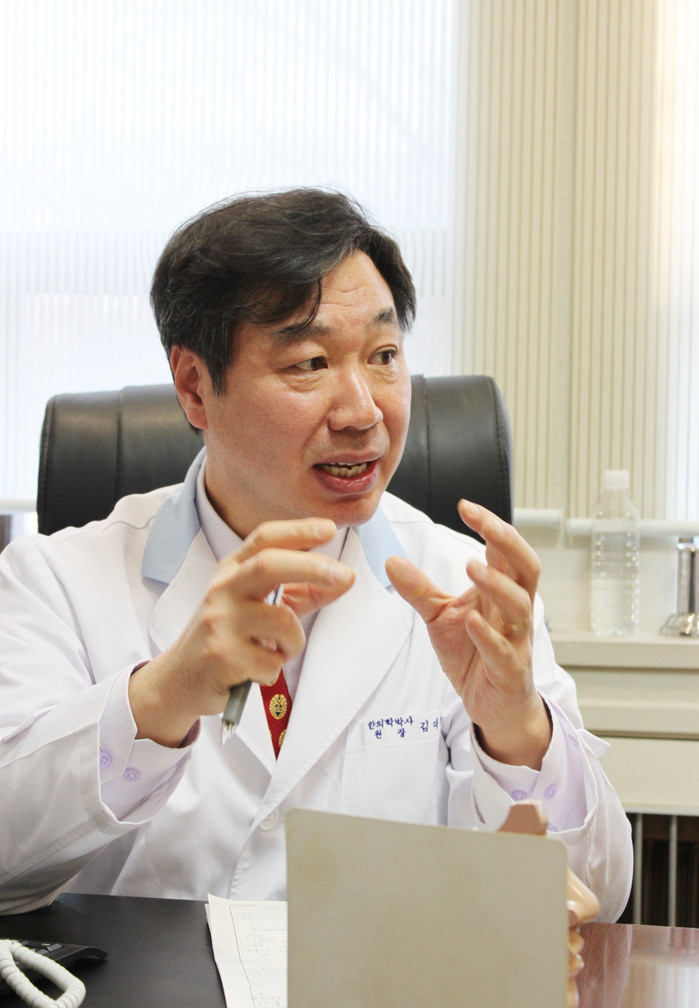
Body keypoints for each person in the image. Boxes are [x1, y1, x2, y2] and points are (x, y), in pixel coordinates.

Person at [0, 189, 632, 919]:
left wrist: (516, 730)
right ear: (195, 387)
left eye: (384, 356)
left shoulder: (468, 586)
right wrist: (164, 697)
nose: (363, 411)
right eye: (309, 362)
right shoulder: (54, 583)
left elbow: (596, 898)